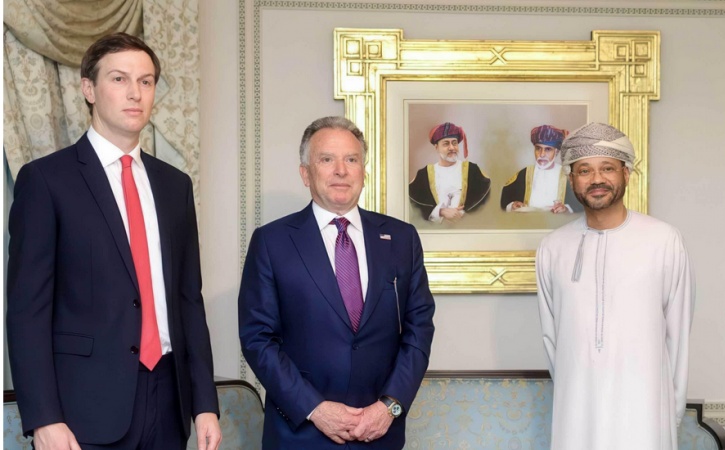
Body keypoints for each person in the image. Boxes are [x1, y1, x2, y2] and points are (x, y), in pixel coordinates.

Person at [6, 33, 221, 450]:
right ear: (89, 89)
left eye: (146, 81)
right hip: (83, 410)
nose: (135, 93)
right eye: (119, 79)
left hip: (169, 401)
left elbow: (188, 301)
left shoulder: (174, 185)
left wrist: (204, 404)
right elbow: (27, 310)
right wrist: (44, 417)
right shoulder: (47, 181)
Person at [238, 116, 436, 449]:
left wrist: (390, 406)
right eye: (327, 159)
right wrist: (315, 409)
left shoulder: (402, 238)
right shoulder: (272, 242)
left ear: (363, 173)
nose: (341, 170)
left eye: (352, 160)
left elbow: (420, 329)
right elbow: (257, 339)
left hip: (379, 432)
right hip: (300, 435)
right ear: (306, 173)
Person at [535, 123, 694, 450]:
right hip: (576, 415)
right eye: (584, 170)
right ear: (572, 180)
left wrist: (670, 413)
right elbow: (552, 340)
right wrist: (574, 390)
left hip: (646, 413)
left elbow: (678, 337)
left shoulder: (664, 240)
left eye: (607, 168)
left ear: (626, 174)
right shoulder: (552, 248)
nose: (596, 179)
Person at [408, 122, 490, 222]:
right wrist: (440, 211)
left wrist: (462, 214)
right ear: (436, 147)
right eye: (446, 144)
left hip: (467, 225)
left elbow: (485, 198)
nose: (452, 148)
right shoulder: (424, 175)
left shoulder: (472, 170)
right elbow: (415, 201)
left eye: (454, 143)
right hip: (435, 228)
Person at [500, 124, 581, 213]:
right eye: (538, 148)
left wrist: (566, 209)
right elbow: (504, 200)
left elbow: (581, 205)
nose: (542, 154)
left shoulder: (567, 176)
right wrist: (512, 205)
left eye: (548, 149)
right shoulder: (524, 174)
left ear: (556, 152)